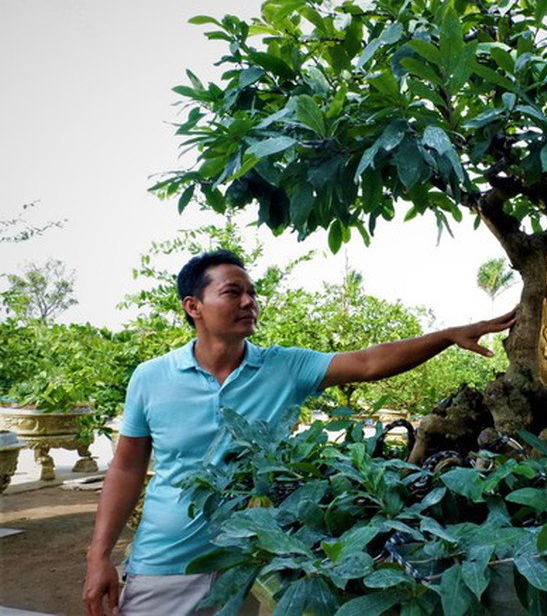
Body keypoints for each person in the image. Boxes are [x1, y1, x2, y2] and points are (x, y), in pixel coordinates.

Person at [83, 250, 515, 616]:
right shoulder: (151, 377)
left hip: (257, 563)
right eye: (233, 292)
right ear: (193, 306)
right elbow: (126, 468)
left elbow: (368, 363)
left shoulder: (284, 367)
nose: (249, 301)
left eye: (252, 292)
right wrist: (98, 556)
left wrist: (446, 335)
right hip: (166, 561)